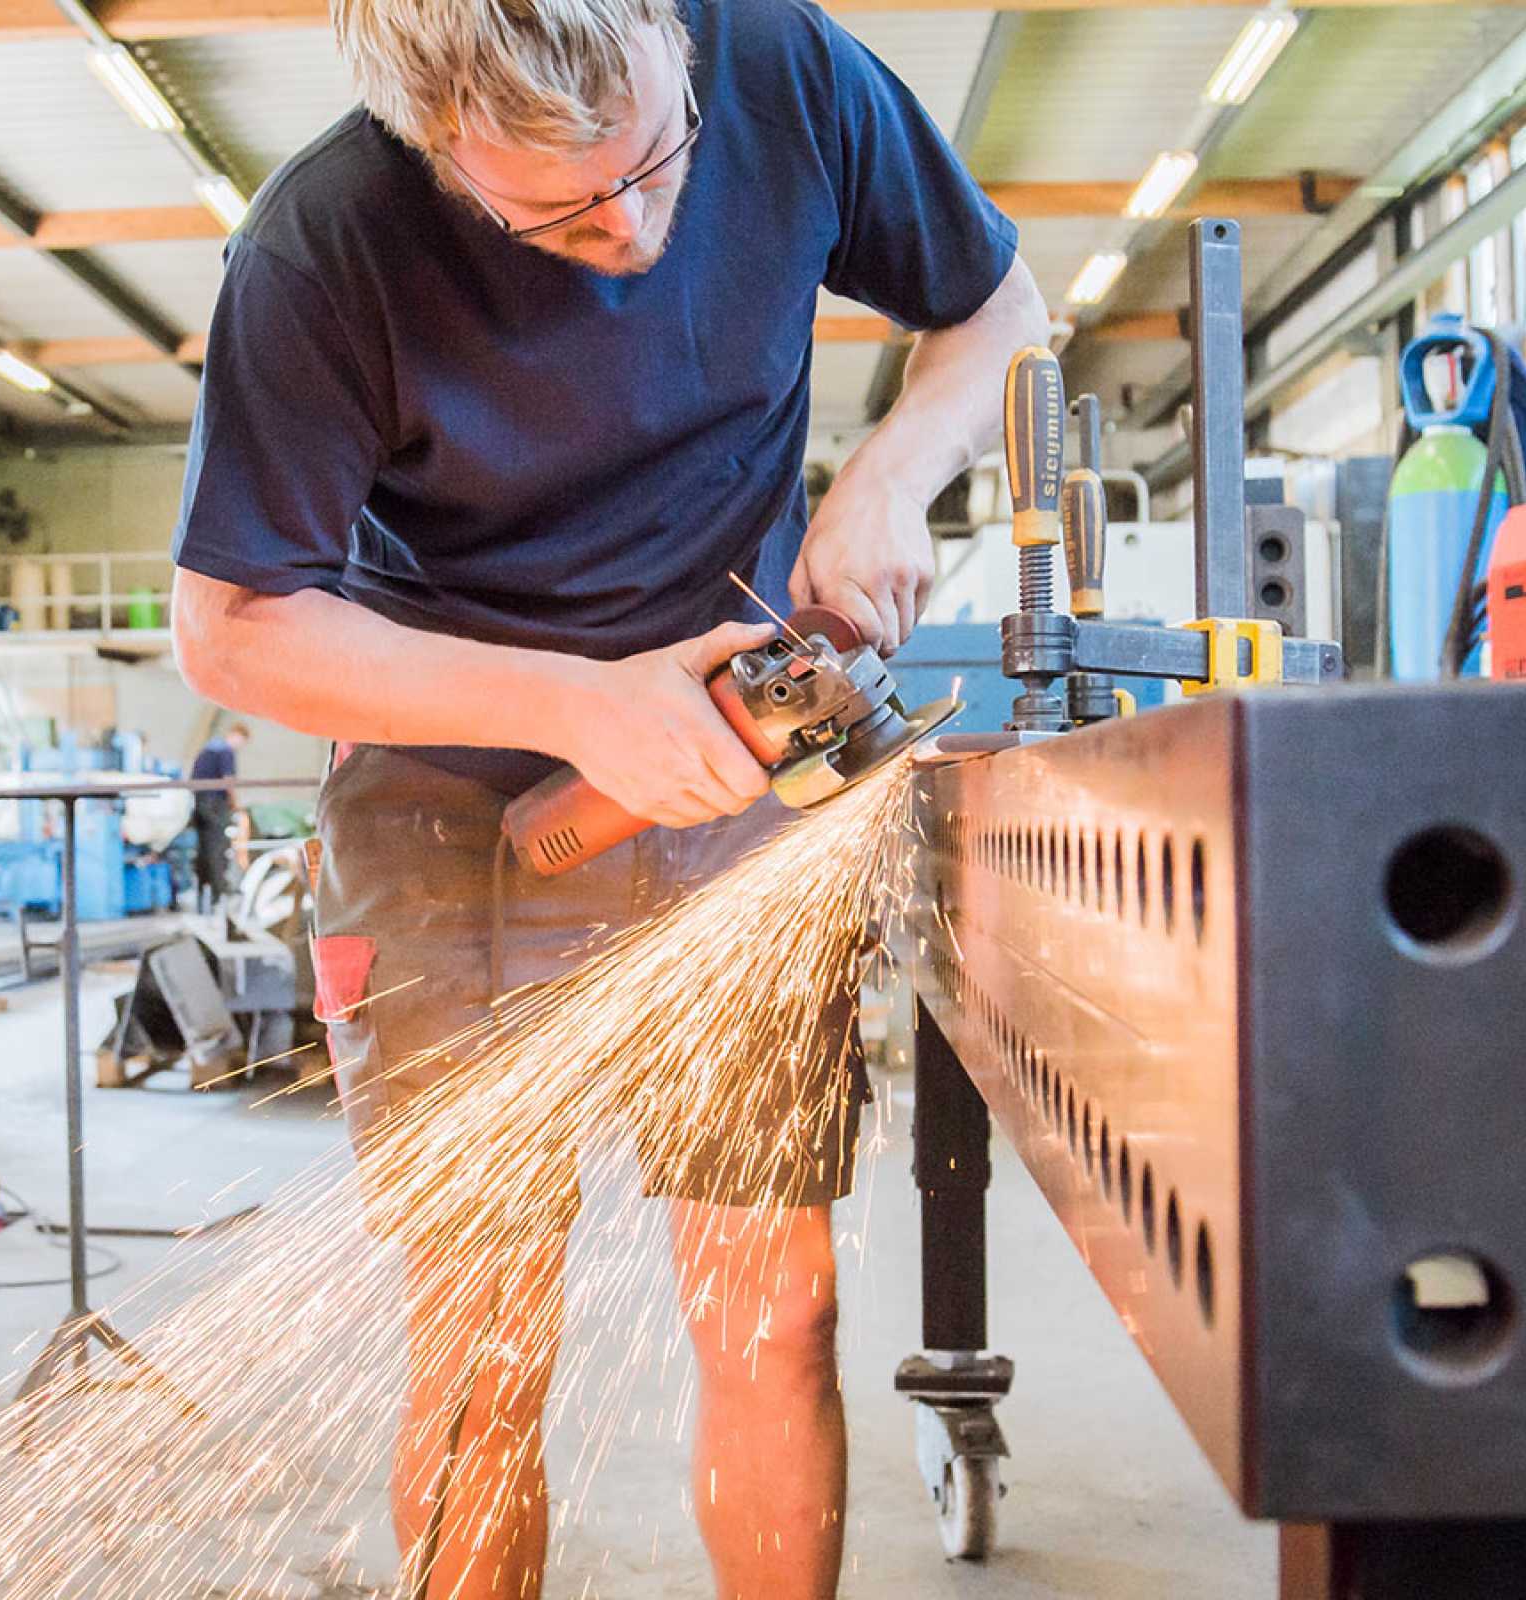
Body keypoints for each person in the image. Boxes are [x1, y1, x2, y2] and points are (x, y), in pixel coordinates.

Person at [166, 0, 1046, 1594]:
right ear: (435, 144)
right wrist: (575, 704)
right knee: (485, 1340)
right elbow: (230, 627)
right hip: (447, 795)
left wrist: (890, 477)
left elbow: (1000, 306)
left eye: (655, 165)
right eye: (559, 215)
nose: (631, 234)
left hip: (736, 757)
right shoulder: (321, 245)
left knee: (776, 1311)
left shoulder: (779, 64)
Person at [187, 722, 249, 912]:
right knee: (217, 847)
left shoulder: (208, 749)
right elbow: (228, 781)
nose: (240, 746)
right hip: (214, 804)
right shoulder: (225, 751)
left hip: (200, 802)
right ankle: (219, 893)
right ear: (236, 735)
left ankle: (203, 897)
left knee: (204, 849)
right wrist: (235, 803)